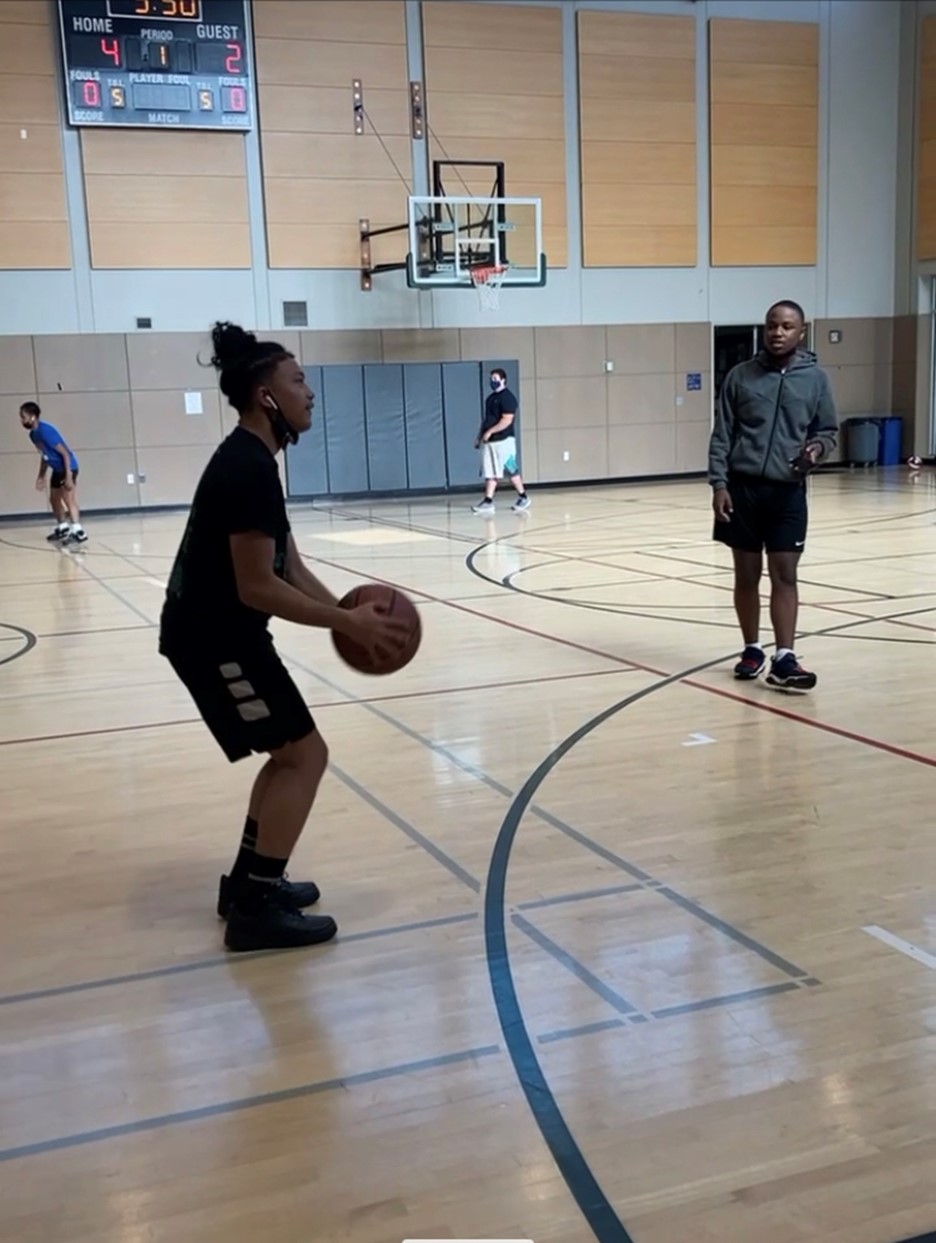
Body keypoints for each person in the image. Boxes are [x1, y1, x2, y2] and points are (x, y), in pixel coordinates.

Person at [158, 322, 411, 952]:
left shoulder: (253, 460)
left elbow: (289, 567)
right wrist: (346, 622)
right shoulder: (246, 468)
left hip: (224, 633)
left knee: (289, 754)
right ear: (266, 396)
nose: (310, 392)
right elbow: (257, 588)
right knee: (306, 755)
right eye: (297, 381)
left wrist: (351, 620)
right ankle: (254, 908)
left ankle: (248, 883)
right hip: (214, 638)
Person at [708, 300, 838, 692]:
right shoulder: (740, 377)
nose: (777, 333)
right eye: (771, 326)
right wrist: (719, 483)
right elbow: (722, 435)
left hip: (788, 491)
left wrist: (815, 451)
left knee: (785, 574)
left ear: (801, 333)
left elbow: (828, 430)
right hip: (743, 489)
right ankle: (752, 649)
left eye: (786, 327)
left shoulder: (815, 380)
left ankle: (785, 657)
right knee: (746, 576)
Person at [19, 402, 87, 545]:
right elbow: (44, 455)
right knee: (54, 499)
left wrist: (69, 476)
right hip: (57, 469)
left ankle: (78, 531)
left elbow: (66, 454)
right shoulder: (33, 435)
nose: (22, 420)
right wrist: (41, 475)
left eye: (23, 417)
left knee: (69, 499)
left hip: (68, 467)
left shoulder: (46, 431)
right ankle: (63, 528)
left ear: (33, 417)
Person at [472, 367, 529, 514]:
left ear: (503, 380)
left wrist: (491, 431)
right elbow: (487, 420)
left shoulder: (508, 398)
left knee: (510, 469)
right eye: (491, 379)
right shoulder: (490, 399)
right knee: (490, 472)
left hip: (504, 441)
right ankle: (488, 501)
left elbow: (507, 420)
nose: (493, 381)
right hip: (490, 442)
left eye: (496, 379)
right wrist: (480, 436)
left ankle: (523, 496)